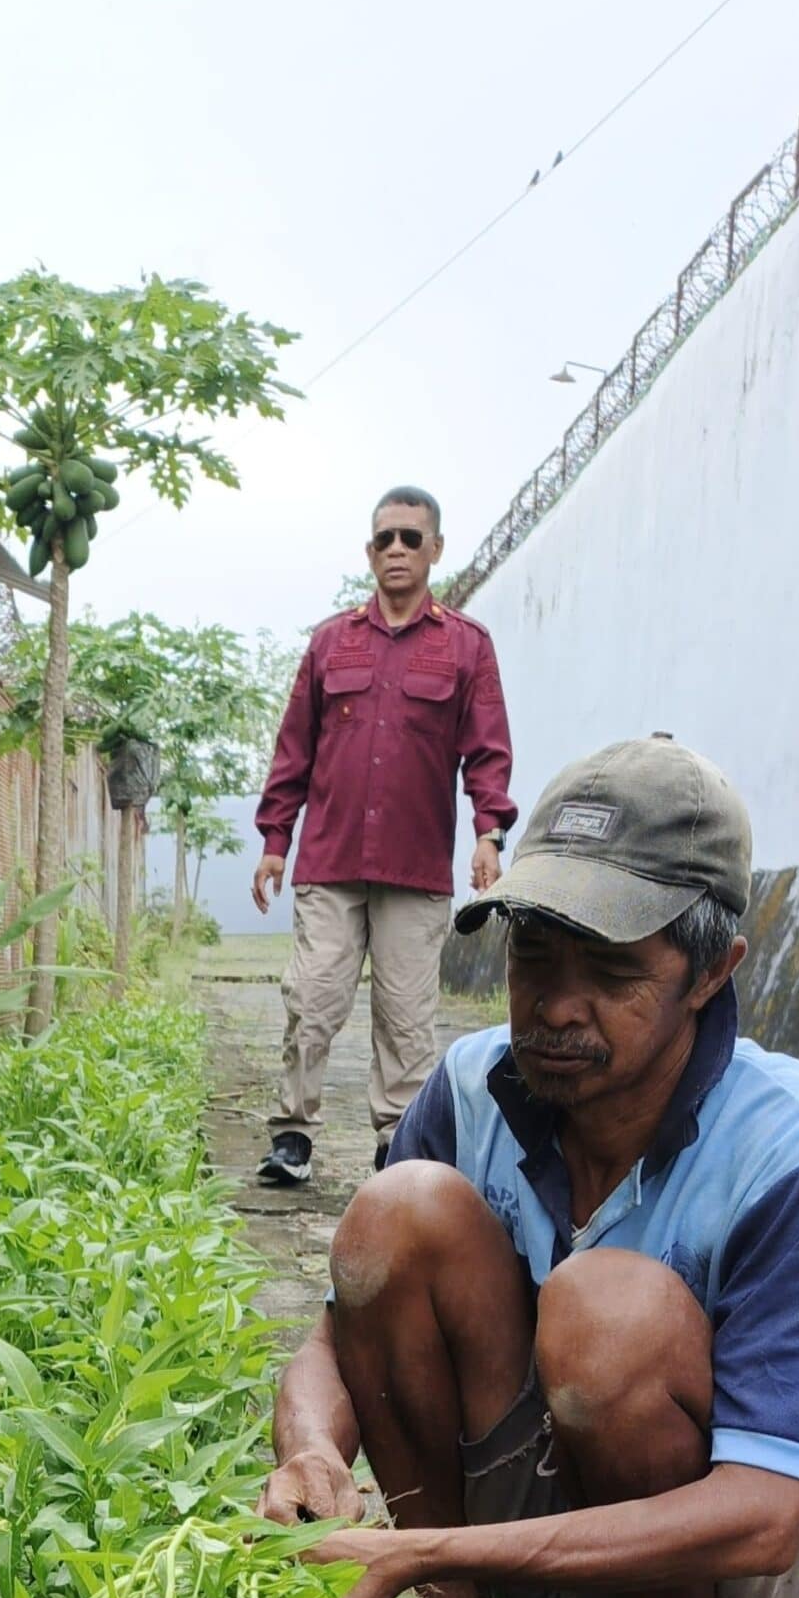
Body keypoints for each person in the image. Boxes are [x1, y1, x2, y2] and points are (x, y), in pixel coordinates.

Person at [257, 735, 799, 1598]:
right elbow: (336, 1338)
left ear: (711, 973)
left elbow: (762, 1512)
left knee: (606, 1308)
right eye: (533, 960)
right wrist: (312, 1453)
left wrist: (420, 1550)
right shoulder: (473, 1086)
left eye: (610, 973)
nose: (557, 1007)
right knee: (395, 1212)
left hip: (761, 1595)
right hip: (556, 1537)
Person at [251, 486, 516, 1187]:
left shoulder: (466, 647)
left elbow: (487, 749)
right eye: (384, 539)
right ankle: (293, 1136)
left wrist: (489, 832)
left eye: (409, 537)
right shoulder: (331, 643)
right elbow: (293, 750)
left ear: (434, 550)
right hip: (331, 861)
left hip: (416, 867)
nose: (396, 550)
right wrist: (276, 839)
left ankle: (396, 1146)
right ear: (369, 552)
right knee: (311, 1000)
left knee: (406, 1020)